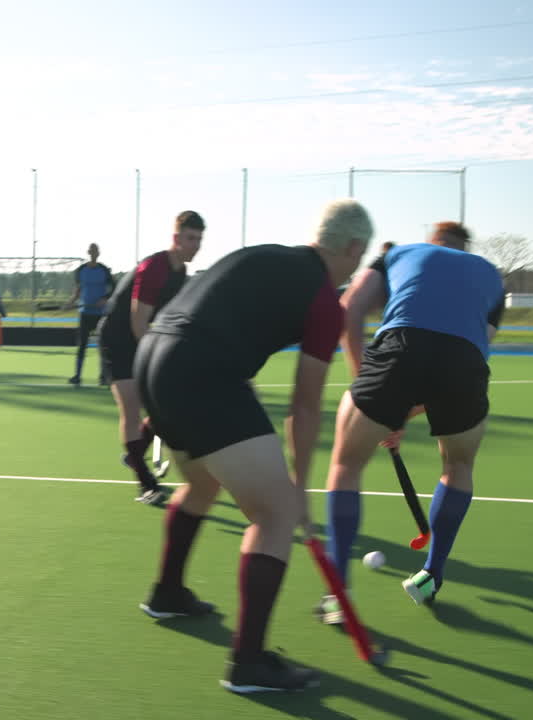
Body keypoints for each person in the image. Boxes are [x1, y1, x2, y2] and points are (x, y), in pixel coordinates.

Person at [134, 199, 371, 693]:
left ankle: (168, 592)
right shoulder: (325, 300)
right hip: (200, 372)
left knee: (201, 482)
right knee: (275, 514)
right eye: (360, 254)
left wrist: (167, 395)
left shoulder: (262, 254)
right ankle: (250, 663)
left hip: (154, 358)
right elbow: (305, 405)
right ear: (352, 247)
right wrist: (298, 489)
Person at [320, 221, 503, 623]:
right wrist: (405, 410)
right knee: (458, 467)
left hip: (400, 348)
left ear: (431, 242)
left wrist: (365, 391)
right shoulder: (491, 277)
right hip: (465, 366)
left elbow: (349, 309)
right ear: (466, 248)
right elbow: (474, 348)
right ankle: (431, 575)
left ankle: (338, 593)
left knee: (346, 464)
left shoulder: (399, 254)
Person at [99, 211, 203, 504]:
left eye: (199, 240)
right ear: (176, 238)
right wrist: (158, 361)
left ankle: (136, 454)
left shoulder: (181, 273)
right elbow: (138, 322)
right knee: (132, 410)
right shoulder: (154, 268)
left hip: (142, 337)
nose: (195, 245)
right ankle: (146, 484)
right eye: (190, 238)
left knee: (166, 405)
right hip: (118, 342)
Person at [68, 243, 114, 386]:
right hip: (85, 313)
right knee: (82, 345)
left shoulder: (104, 270)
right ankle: (77, 375)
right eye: (91, 250)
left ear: (98, 253)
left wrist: (104, 299)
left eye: (96, 250)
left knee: (103, 346)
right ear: (88, 252)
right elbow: (78, 291)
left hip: (101, 314)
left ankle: (103, 377)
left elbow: (114, 289)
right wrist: (70, 302)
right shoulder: (80, 270)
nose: (93, 253)